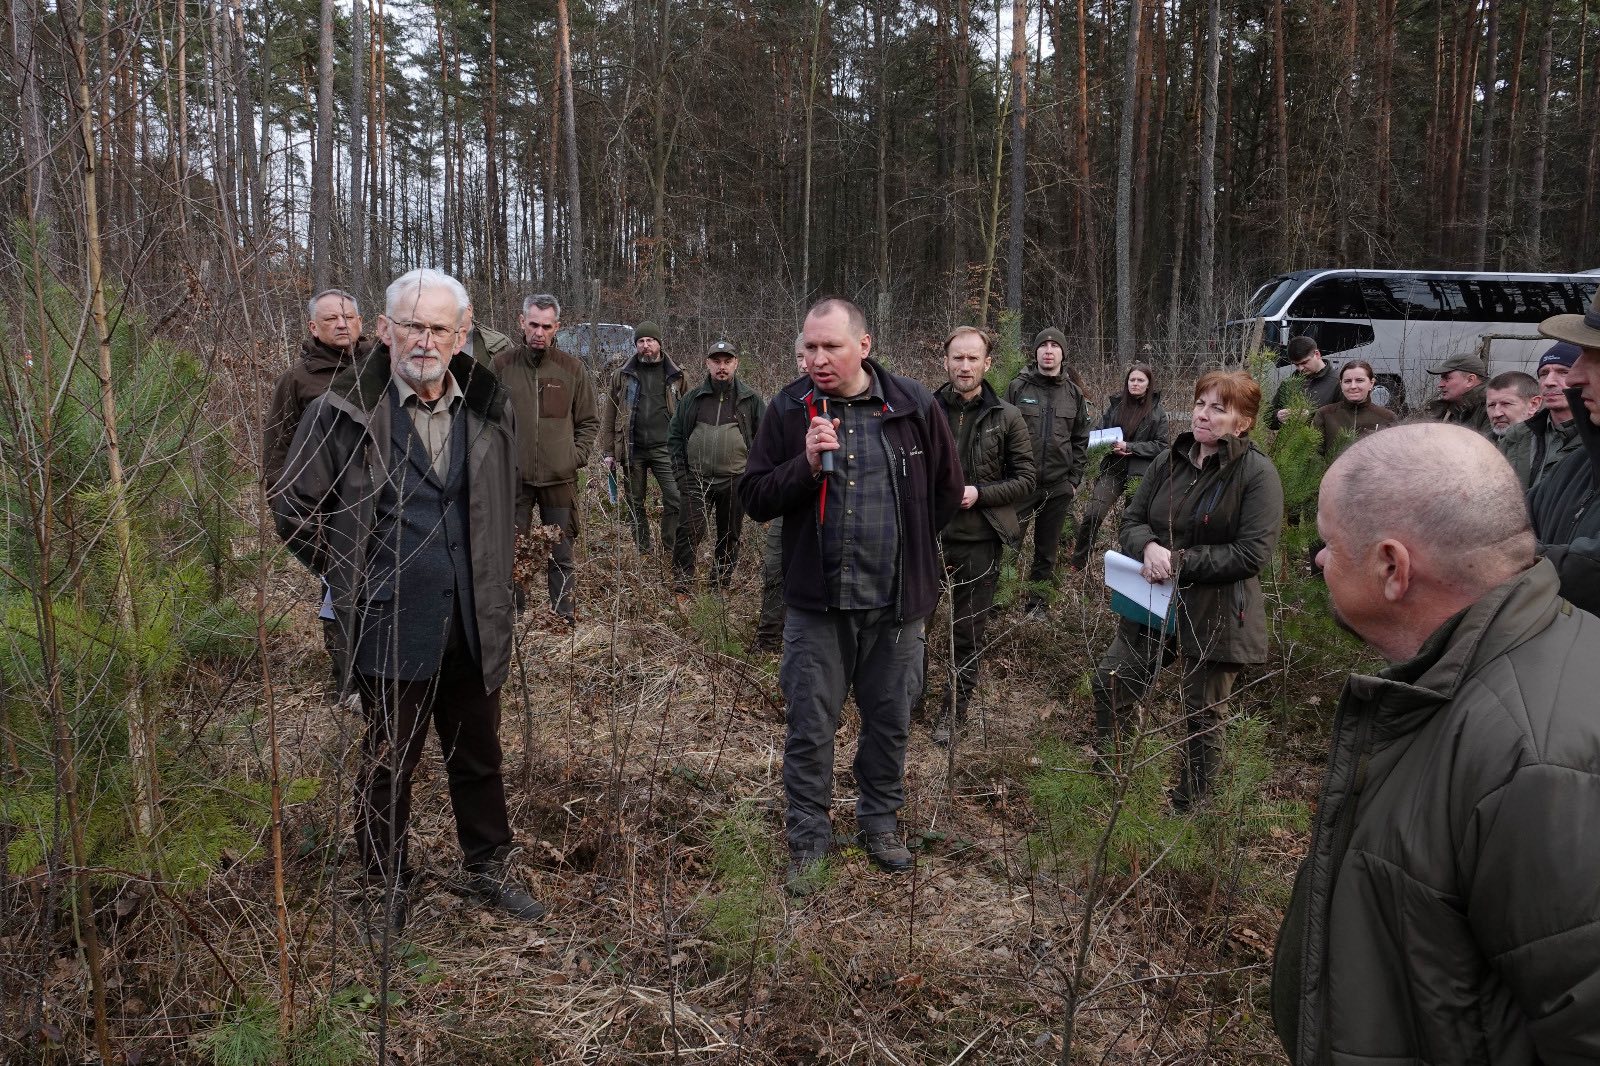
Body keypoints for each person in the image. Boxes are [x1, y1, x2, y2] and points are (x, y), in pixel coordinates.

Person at [1272, 422, 1600, 1065]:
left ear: (1393, 567)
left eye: (1329, 543)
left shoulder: (1539, 764)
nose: (1317, 559)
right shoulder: (1481, 676)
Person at [271, 269, 543, 931]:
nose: (425, 340)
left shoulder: (488, 406)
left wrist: (500, 575)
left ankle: (487, 868)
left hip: (476, 616)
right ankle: (384, 877)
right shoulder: (339, 410)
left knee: (479, 753)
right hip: (392, 620)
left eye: (439, 328)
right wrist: (352, 576)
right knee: (391, 756)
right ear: (386, 330)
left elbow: (506, 499)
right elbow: (292, 506)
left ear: (462, 333)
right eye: (412, 326)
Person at [739, 298, 962, 892]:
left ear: (864, 346)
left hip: (896, 606)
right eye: (808, 348)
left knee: (890, 721)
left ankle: (878, 822)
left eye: (830, 347)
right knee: (811, 725)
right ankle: (809, 837)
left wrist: (908, 557)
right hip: (818, 607)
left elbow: (944, 494)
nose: (817, 359)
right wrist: (806, 465)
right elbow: (755, 498)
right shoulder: (789, 409)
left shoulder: (915, 406)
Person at [1090, 370, 1283, 809]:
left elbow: (1252, 553)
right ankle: (1112, 782)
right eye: (1200, 404)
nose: (1204, 415)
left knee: (1202, 715)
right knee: (1111, 682)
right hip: (1153, 600)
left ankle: (1189, 810)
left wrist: (1180, 562)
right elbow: (1131, 521)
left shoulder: (1256, 474)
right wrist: (1150, 546)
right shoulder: (1169, 460)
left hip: (1218, 610)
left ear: (1243, 422)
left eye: (1219, 409)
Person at [263, 288, 373, 696]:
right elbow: (277, 454)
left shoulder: (383, 366)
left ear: (362, 321)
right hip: (329, 515)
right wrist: (292, 516)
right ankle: (348, 684)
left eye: (349, 316)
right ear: (313, 327)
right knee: (340, 600)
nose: (342, 324)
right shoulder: (297, 381)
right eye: (331, 319)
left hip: (384, 509)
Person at [931, 327, 1035, 744]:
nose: (965, 366)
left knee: (967, 633)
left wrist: (979, 493)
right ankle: (908, 703)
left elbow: (1027, 478)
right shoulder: (926, 409)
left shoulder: (1006, 416)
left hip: (981, 541)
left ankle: (952, 714)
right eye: (958, 358)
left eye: (973, 358)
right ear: (946, 362)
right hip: (929, 538)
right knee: (911, 626)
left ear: (987, 363)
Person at [493, 293, 599, 623]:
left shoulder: (572, 368)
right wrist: (500, 459)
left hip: (559, 479)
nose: (539, 332)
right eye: (534, 324)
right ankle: (513, 616)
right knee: (512, 550)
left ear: (557, 328)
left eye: (547, 326)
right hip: (515, 479)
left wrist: (574, 456)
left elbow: (589, 421)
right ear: (521, 322)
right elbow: (485, 418)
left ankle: (562, 617)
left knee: (561, 552)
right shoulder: (501, 366)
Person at [1005, 327, 1090, 614]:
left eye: (1055, 346)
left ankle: (1037, 605)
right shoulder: (1018, 387)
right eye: (1044, 345)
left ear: (1063, 353)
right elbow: (1001, 432)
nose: (1049, 350)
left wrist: (1074, 480)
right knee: (1008, 545)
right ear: (1036, 352)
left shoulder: (1074, 394)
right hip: (1021, 483)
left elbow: (1080, 439)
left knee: (1047, 550)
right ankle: (998, 600)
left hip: (1057, 486)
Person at [669, 340, 763, 591]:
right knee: (689, 531)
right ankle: (682, 586)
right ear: (708, 363)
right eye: (716, 361)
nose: (722, 367)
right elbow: (675, 437)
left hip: (735, 479)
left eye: (727, 361)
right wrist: (681, 475)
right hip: (696, 479)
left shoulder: (750, 400)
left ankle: (719, 586)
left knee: (729, 534)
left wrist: (753, 477)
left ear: (736, 363)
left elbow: (764, 441)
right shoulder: (692, 399)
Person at [1528, 292, 1600, 616]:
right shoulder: (1580, 463)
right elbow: (1514, 518)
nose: (1573, 377)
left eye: (1595, 355)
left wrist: (1495, 560)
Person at [1069, 362, 1170, 571]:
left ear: (1148, 384)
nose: (1135, 383)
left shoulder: (1158, 413)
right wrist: (1109, 445)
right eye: (1132, 380)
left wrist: (1130, 447)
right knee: (1093, 513)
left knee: (1131, 523)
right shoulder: (1115, 406)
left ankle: (1129, 566)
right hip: (1112, 469)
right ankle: (1078, 562)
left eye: (1140, 380)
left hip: (1140, 475)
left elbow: (1162, 446)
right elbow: (1097, 433)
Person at [601, 321, 687, 555]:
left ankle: (669, 545)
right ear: (635, 345)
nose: (646, 345)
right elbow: (609, 414)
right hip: (633, 449)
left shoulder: (676, 375)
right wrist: (608, 452)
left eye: (650, 341)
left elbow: (687, 414)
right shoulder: (622, 375)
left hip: (664, 449)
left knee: (675, 498)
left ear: (659, 343)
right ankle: (643, 548)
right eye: (641, 341)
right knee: (634, 501)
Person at [752, 339, 809, 654]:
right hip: (787, 504)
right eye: (800, 355)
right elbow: (763, 469)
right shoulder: (786, 403)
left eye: (811, 353)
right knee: (775, 569)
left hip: (828, 510)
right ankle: (769, 639)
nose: (805, 362)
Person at [1501, 342, 1583, 489]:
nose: (1549, 382)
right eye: (1544, 373)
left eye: (1564, 372)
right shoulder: (1517, 435)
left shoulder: (1593, 440)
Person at [1309, 359, 1397, 458]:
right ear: (1341, 384)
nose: (1353, 386)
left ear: (1371, 383)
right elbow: (1314, 455)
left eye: (1359, 380)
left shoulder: (1387, 417)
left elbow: (1392, 458)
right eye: (1347, 381)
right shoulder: (1325, 414)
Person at [1269, 337, 1341, 429]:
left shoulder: (1338, 381)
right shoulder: (1290, 382)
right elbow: (1268, 418)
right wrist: (1277, 416)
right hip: (1288, 442)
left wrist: (1310, 417)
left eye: (1304, 362)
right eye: (1296, 364)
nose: (1300, 368)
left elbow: (1344, 421)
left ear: (1317, 354)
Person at [1425, 354, 1493, 436]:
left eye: (1447, 378)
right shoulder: (1448, 409)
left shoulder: (1494, 408)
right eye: (1441, 378)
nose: (1440, 384)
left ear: (1470, 380)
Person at [1484, 370, 1542, 436]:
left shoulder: (1548, 443)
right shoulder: (1481, 443)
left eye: (1506, 404)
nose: (1496, 414)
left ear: (1533, 405)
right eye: (1491, 405)